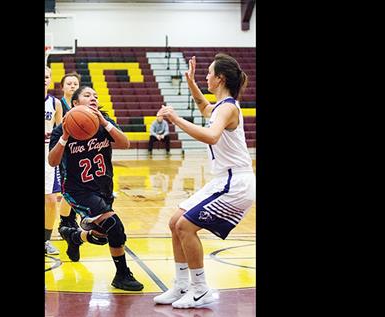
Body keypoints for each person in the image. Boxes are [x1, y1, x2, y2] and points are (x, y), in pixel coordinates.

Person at [153, 54, 256, 308]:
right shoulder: (222, 106)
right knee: (174, 221)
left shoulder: (229, 108)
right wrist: (190, 81)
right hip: (224, 179)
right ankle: (181, 285)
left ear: (220, 78)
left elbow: (211, 136)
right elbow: (202, 106)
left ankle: (200, 289)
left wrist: (176, 119)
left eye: (209, 73)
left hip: (236, 182)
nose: (206, 76)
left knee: (186, 227)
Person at [48, 86, 144, 291]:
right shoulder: (62, 129)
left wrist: (104, 123)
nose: (93, 98)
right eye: (87, 95)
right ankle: (122, 275)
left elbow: (125, 143)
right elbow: (52, 161)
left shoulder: (104, 123)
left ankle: (73, 236)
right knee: (114, 226)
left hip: (103, 188)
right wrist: (65, 136)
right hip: (77, 190)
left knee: (102, 235)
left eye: (95, 95)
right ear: (74, 104)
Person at [57, 72, 82, 234]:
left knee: (78, 187)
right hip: (63, 152)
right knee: (68, 188)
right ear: (62, 87)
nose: (72, 86)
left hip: (79, 151)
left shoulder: (82, 106)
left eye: (75, 84)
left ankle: (72, 219)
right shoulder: (58, 105)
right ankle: (65, 222)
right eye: (69, 84)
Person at [45, 65, 63, 255]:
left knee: (50, 200)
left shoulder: (55, 103)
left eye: (47, 76)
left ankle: (46, 240)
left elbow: (61, 131)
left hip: (47, 153)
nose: (44, 79)